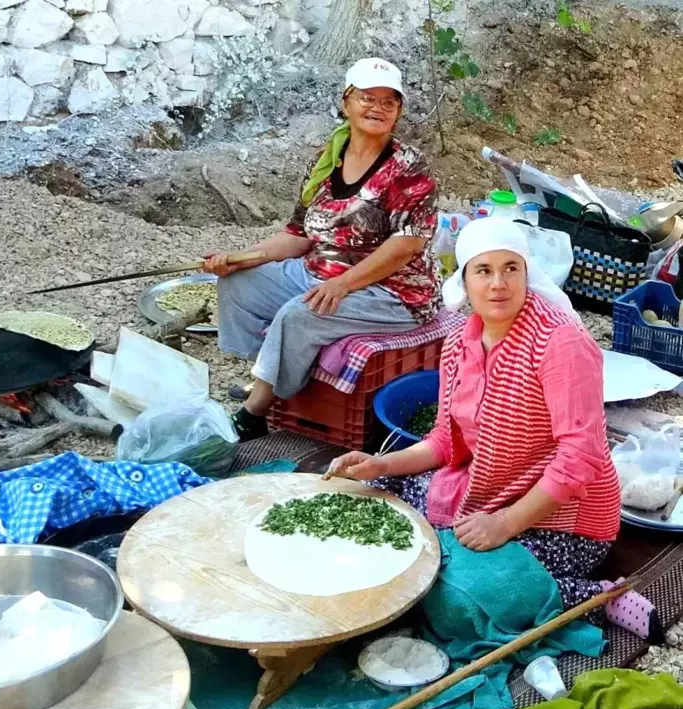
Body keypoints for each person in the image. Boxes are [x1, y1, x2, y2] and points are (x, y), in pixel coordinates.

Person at [327, 218, 662, 642]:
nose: (498, 283)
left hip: (563, 520)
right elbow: (445, 442)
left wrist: (505, 523)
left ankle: (595, 598)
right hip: (487, 489)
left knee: (452, 598)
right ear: (465, 281)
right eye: (483, 271)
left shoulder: (560, 342)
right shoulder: (459, 344)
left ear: (527, 274)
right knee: (370, 508)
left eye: (510, 268)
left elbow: (581, 457)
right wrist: (379, 464)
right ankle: (464, 548)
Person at [204, 58, 439, 442]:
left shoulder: (409, 167)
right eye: (367, 98)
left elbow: (407, 244)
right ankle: (268, 377)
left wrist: (344, 284)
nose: (377, 108)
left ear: (398, 112)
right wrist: (241, 257)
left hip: (392, 291)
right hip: (323, 270)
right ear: (346, 103)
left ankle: (255, 413)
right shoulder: (328, 158)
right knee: (241, 284)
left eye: (388, 102)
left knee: (300, 313)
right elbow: (299, 234)